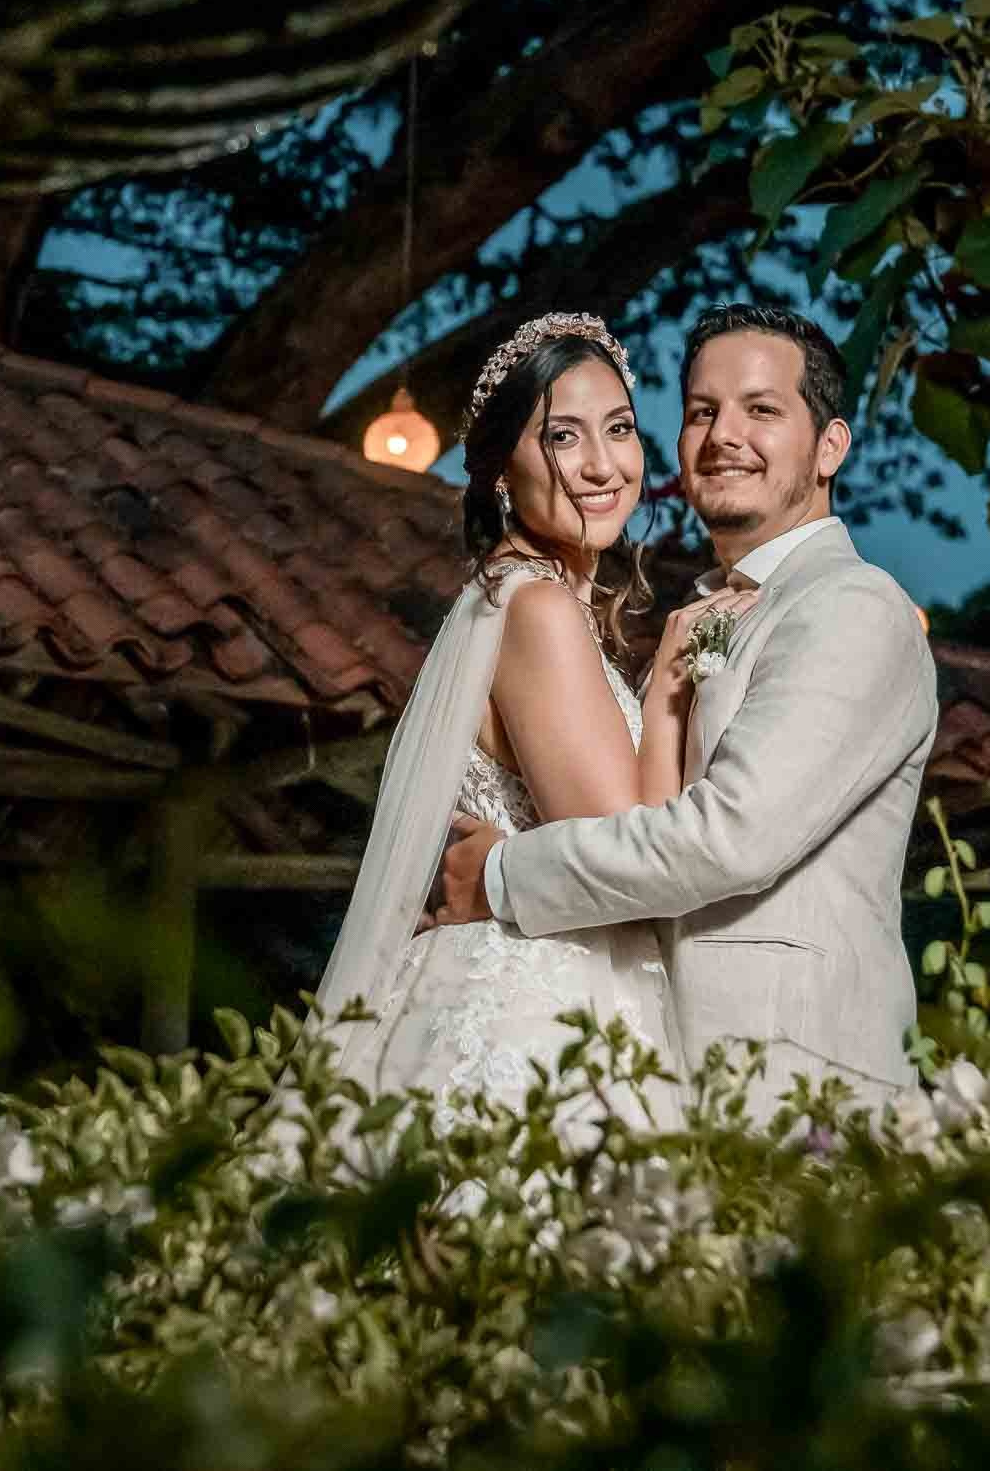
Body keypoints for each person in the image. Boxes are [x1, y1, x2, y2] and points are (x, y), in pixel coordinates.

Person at [427, 304, 936, 1120]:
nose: (723, 434)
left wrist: (499, 875)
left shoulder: (854, 608)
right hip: (650, 1066)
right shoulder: (678, 615)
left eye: (762, 410)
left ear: (831, 446)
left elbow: (726, 836)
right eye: (703, 411)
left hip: (792, 1084)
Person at [312, 312, 752, 1132]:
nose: (601, 465)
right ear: (504, 472)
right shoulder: (538, 606)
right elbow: (626, 852)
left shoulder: (518, 599)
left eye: (618, 429)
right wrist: (669, 684)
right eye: (562, 437)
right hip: (539, 1012)